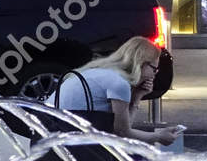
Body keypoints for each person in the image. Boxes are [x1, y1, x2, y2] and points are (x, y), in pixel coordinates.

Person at [55, 35, 184, 148]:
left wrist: (137, 96)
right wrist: (158, 136)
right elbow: (122, 134)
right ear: (140, 64)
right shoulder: (119, 84)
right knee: (138, 157)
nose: (154, 75)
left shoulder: (103, 72)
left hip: (57, 133)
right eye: (154, 69)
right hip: (72, 143)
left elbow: (123, 129)